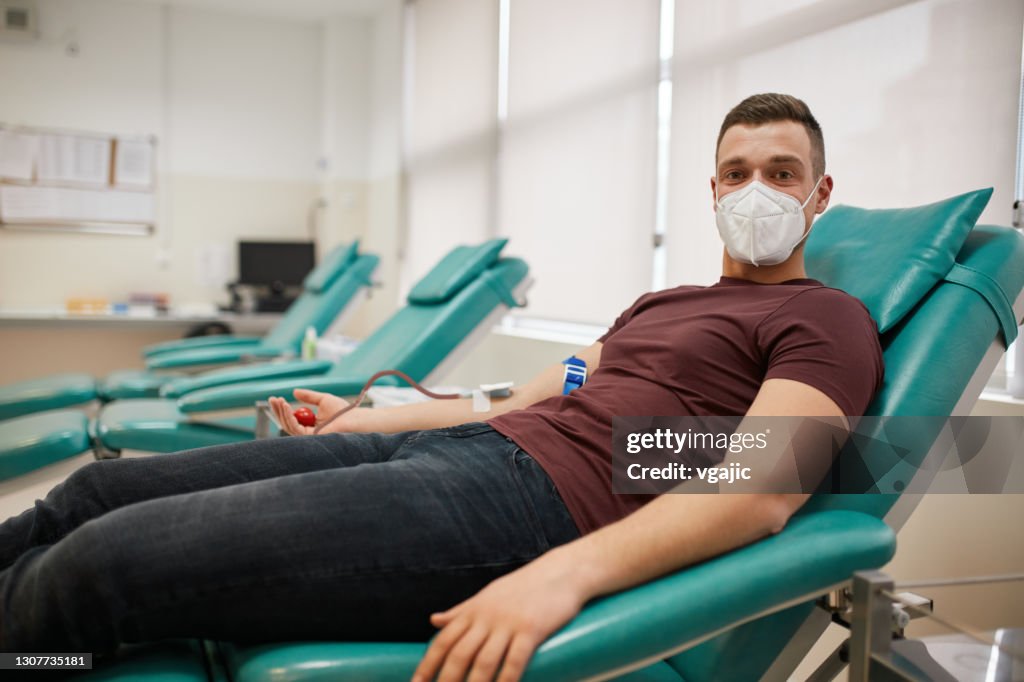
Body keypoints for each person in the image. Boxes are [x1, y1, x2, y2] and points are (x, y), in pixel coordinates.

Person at [0, 93, 883, 682]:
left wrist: (562, 575)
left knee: (100, 565)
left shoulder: (824, 317)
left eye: (782, 173)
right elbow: (522, 400)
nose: (756, 191)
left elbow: (761, 485)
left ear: (820, 194)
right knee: (93, 493)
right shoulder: (662, 303)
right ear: (712, 189)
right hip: (460, 451)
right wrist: (362, 418)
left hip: (527, 507)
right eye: (737, 173)